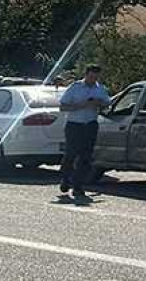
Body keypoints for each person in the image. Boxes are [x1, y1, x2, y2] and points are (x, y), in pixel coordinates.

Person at [57, 64, 110, 201]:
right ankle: (65, 178)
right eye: (91, 76)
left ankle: (78, 186)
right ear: (86, 74)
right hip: (74, 124)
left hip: (90, 125)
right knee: (71, 154)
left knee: (86, 157)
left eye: (96, 77)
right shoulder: (75, 87)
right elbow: (63, 106)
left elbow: (107, 104)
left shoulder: (100, 89)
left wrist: (99, 103)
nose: (93, 80)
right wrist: (81, 105)